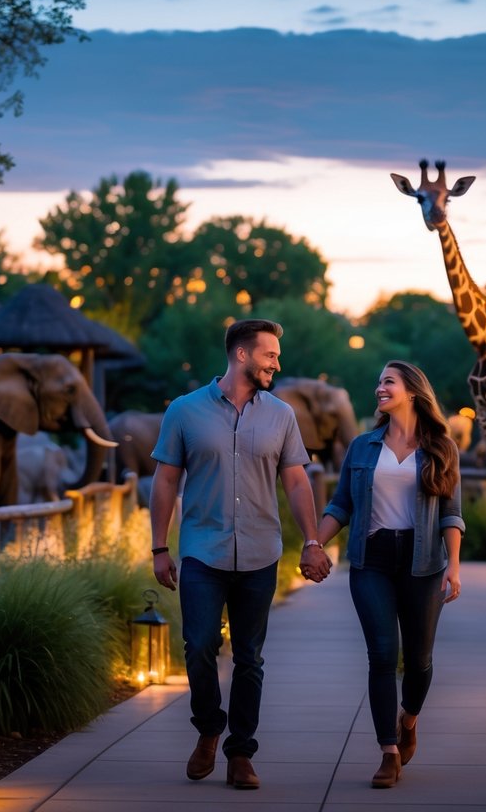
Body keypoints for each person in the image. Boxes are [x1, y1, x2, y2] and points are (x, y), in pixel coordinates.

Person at [150, 318, 322, 791]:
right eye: (270, 354)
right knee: (200, 646)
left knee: (250, 657)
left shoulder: (281, 415)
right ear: (242, 355)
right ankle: (208, 726)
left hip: (260, 554)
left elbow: (296, 480)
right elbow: (165, 480)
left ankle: (240, 752)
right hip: (203, 552)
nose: (277, 363)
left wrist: (312, 541)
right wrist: (160, 548)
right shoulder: (184, 411)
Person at [300, 360, 464, 789]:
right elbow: (340, 506)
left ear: (412, 391)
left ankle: (408, 719)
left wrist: (455, 567)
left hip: (423, 562)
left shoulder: (442, 448)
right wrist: (314, 543)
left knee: (421, 661)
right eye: (378, 383)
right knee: (382, 655)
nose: (379, 389)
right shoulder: (362, 447)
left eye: (387, 382)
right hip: (371, 561)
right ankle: (388, 751)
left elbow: (452, 513)